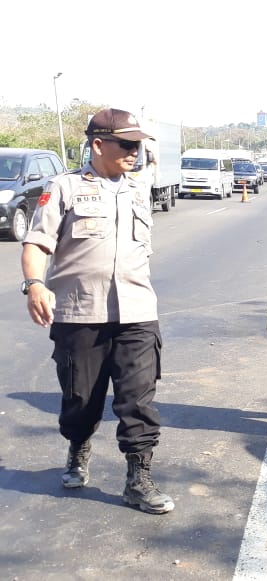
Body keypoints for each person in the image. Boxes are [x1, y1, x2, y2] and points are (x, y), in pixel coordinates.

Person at [20, 108, 174, 514]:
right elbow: (36, 243)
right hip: (78, 313)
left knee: (138, 399)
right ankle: (78, 444)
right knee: (80, 400)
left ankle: (138, 478)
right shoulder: (65, 188)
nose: (134, 152)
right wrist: (35, 284)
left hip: (138, 311)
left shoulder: (138, 188)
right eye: (126, 144)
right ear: (98, 144)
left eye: (138, 145)